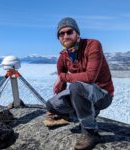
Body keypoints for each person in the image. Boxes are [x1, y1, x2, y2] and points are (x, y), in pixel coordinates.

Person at [46, 17, 114, 150]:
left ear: (77, 33)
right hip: (84, 93)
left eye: (69, 32)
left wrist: (63, 77)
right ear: (59, 38)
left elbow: (90, 77)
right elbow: (60, 87)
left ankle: (90, 132)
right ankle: (83, 114)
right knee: (50, 105)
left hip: (103, 95)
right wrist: (60, 107)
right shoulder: (63, 57)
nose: (65, 36)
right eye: (61, 33)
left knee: (76, 87)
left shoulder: (93, 45)